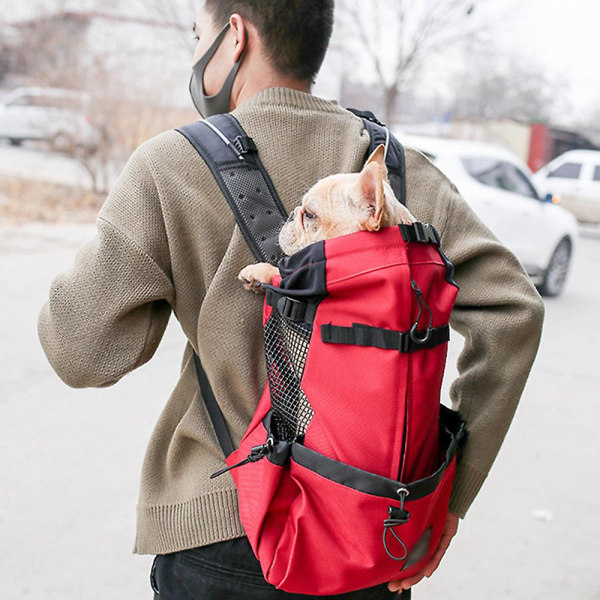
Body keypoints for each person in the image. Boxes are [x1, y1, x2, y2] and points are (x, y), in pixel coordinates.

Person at [37, 1, 545, 598]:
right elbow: (514, 309)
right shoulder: (391, 172)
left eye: (196, 35)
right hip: (370, 533)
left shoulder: (167, 165)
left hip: (219, 529)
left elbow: (81, 352)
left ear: (234, 37)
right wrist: (448, 500)